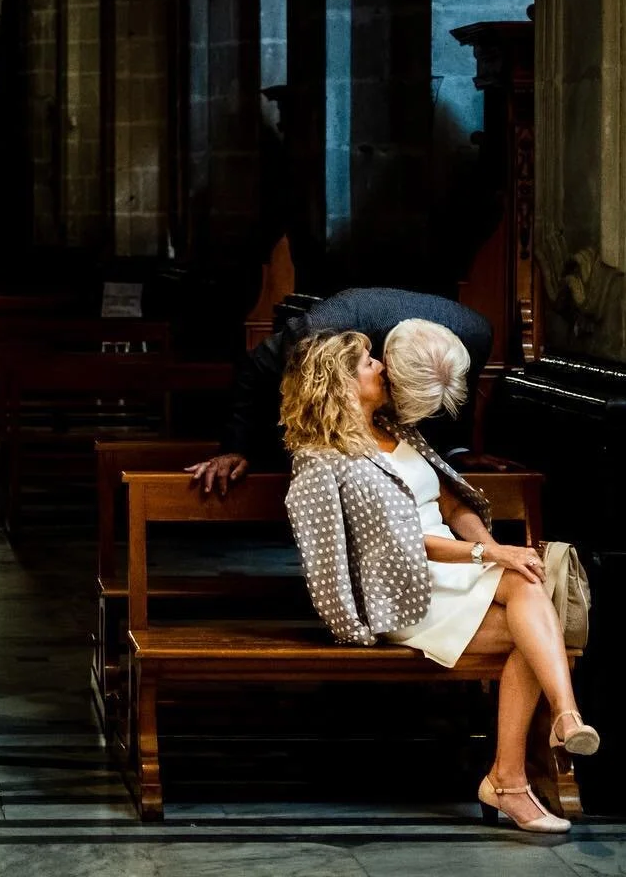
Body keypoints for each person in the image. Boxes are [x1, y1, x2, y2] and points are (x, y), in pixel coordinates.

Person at [281, 331, 599, 834]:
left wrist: (486, 547)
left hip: (460, 572)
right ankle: (526, 763)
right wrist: (489, 552)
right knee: (536, 623)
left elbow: (452, 504)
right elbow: (389, 544)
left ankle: (541, 744)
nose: (382, 366)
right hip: (404, 592)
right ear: (339, 382)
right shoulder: (322, 460)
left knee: (529, 600)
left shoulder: (398, 429)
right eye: (368, 363)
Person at [188, 287, 498, 494]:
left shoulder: (477, 335)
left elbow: (461, 398)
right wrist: (235, 446)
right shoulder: (319, 332)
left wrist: (459, 450)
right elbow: (255, 368)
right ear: (384, 364)